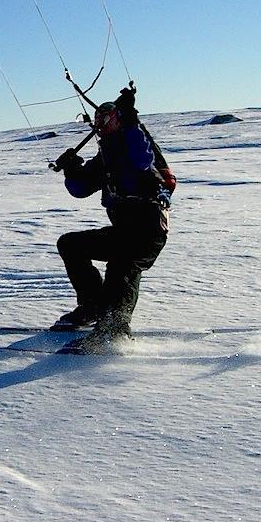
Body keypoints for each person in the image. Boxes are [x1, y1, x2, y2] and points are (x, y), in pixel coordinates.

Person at [51, 87, 176, 353]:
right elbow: (80, 189)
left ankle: (115, 330)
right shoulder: (105, 156)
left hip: (148, 230)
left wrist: (131, 118)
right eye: (96, 119)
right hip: (124, 231)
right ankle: (92, 307)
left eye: (106, 118)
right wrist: (72, 169)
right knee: (71, 244)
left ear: (118, 119)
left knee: (122, 266)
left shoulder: (137, 143)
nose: (100, 123)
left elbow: (142, 159)